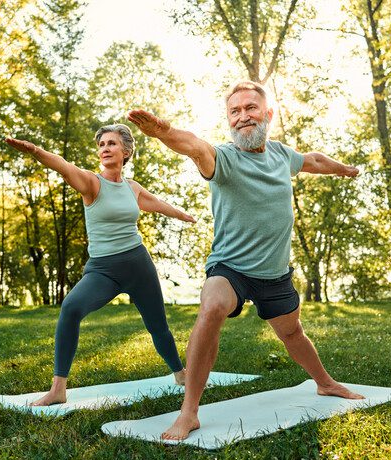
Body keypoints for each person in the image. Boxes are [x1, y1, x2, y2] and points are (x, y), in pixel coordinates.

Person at [128, 80, 364, 441]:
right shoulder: (223, 158)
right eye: (235, 111)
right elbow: (194, 147)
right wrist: (164, 132)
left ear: (267, 114)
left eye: (250, 108)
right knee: (212, 306)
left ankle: (326, 383)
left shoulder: (282, 155)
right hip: (231, 268)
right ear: (229, 120)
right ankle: (188, 411)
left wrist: (343, 168)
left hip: (274, 272)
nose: (243, 117)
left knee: (292, 333)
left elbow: (313, 160)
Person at [5, 124, 195, 406]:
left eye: (111, 143)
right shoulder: (92, 183)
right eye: (102, 144)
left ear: (126, 151)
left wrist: (183, 216)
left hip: (138, 264)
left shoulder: (133, 188)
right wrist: (35, 151)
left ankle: (180, 374)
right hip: (103, 270)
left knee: (158, 326)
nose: (105, 148)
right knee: (70, 308)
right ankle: (58, 389)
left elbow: (156, 203)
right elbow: (64, 167)